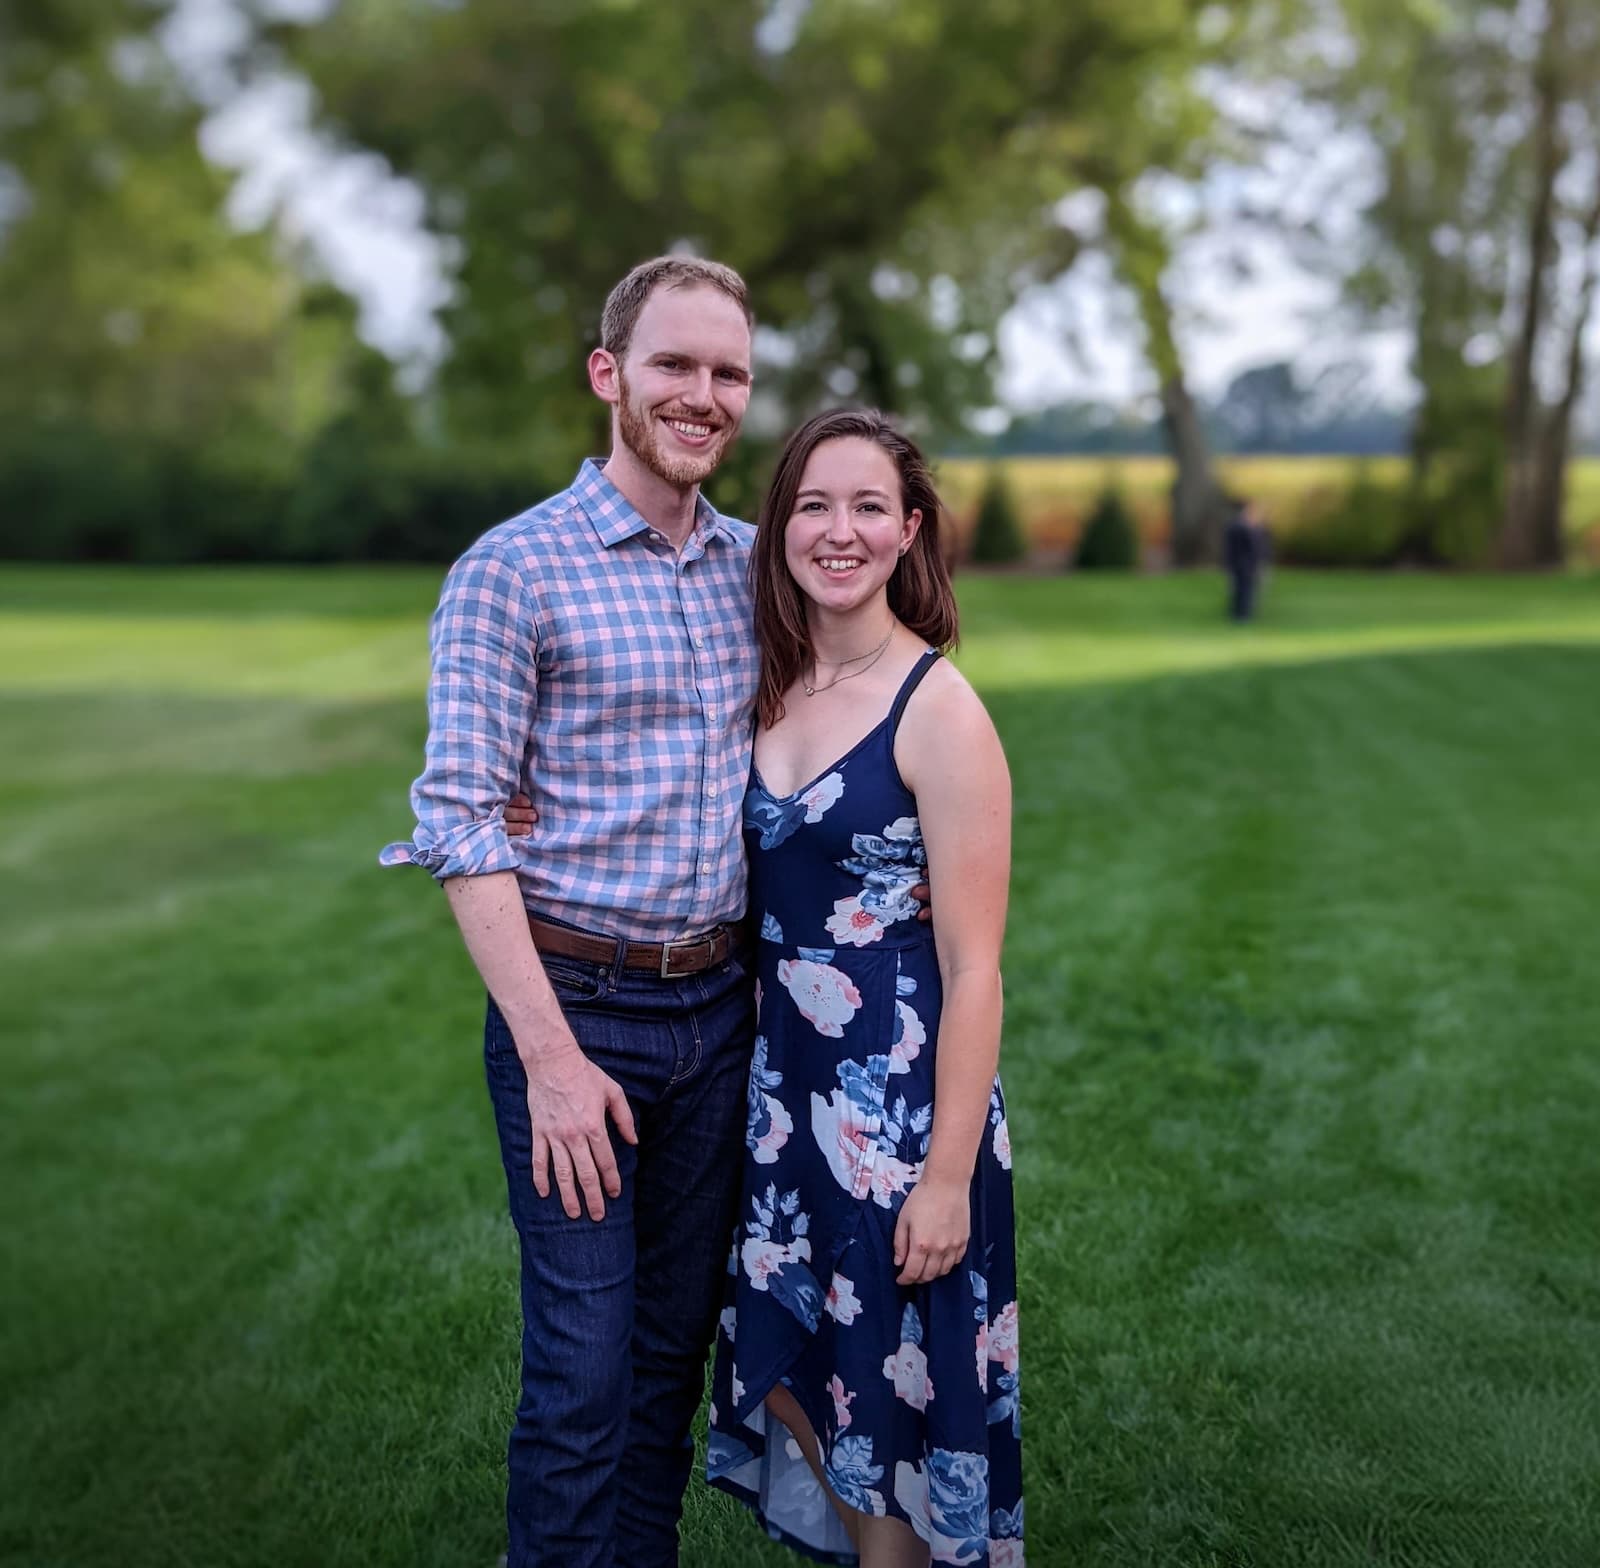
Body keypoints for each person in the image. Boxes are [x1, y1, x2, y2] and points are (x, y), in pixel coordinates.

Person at [380, 256, 766, 1568]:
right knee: (583, 1380)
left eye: (729, 373)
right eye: (675, 365)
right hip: (578, 1017)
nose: (703, 395)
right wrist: (549, 1062)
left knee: (669, 1363)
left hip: (723, 1011)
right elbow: (463, 822)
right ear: (610, 375)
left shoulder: (753, 572)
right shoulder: (513, 572)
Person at [702, 410, 1023, 1567]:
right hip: (780, 1098)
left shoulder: (937, 710)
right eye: (814, 505)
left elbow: (974, 964)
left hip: (896, 1112)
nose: (840, 530)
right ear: (779, 523)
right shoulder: (765, 684)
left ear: (908, 532)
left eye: (868, 507)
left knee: (888, 1406)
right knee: (789, 1370)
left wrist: (944, 1178)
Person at [1223, 497, 1267, 622]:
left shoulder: (1255, 527)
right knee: (1241, 590)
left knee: (1248, 590)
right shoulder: (1238, 527)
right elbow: (1233, 548)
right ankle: (1240, 615)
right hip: (1241, 565)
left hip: (1250, 565)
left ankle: (1244, 613)